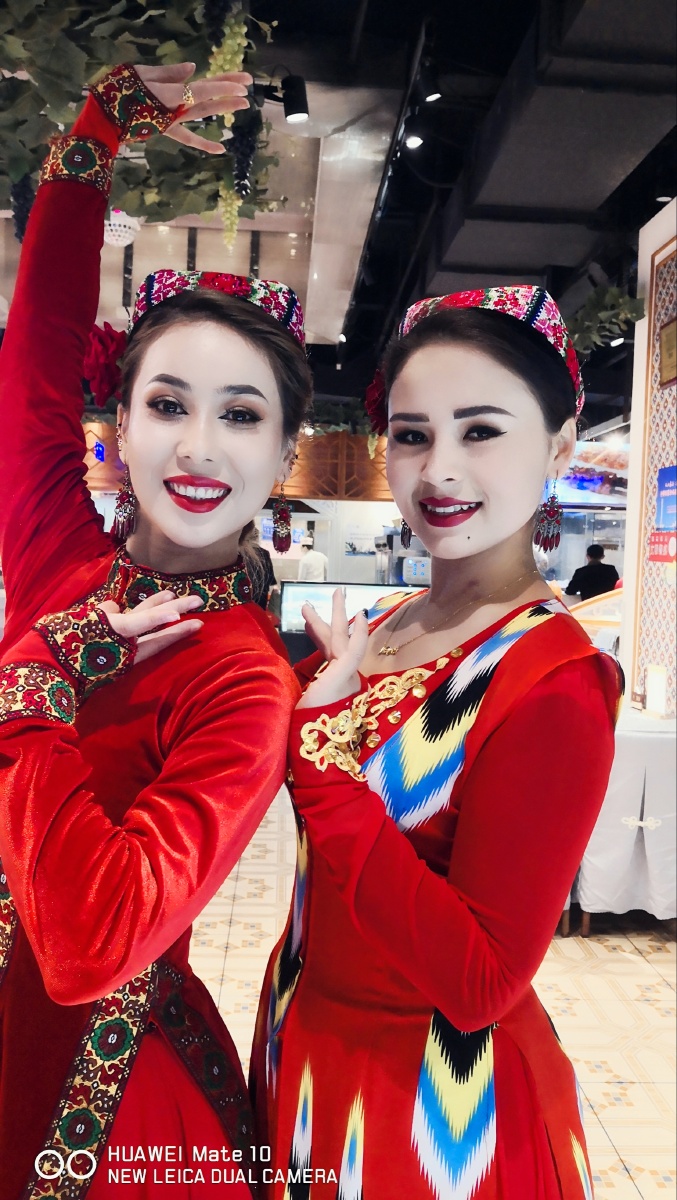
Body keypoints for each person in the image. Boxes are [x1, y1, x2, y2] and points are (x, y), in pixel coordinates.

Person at [0, 63, 312, 1199]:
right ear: (119, 424)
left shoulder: (245, 680)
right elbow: (31, 361)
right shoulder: (58, 553)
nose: (197, 448)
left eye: (241, 416)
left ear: (284, 453)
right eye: (168, 404)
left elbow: (92, 944)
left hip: (103, 1106)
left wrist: (38, 685)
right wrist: (94, 138)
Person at [251, 288, 622, 1198]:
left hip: (432, 1118)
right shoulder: (384, 621)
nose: (437, 470)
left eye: (480, 430)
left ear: (560, 447)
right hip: (301, 1050)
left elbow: (482, 980)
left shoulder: (552, 679)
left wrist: (323, 770)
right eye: (413, 435)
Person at [243, 523, 278, 608]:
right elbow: (270, 580)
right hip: (261, 599)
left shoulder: (240, 553)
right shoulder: (264, 553)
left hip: (244, 598)